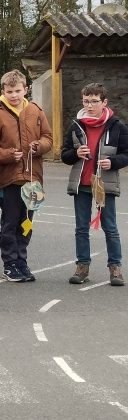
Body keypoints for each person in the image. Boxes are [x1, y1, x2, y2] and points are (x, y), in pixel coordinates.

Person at [0, 69, 52, 283]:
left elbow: (48, 138)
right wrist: (7, 155)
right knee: (10, 222)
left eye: (17, 91)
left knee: (26, 223)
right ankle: (10, 263)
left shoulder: (36, 110)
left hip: (32, 179)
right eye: (9, 91)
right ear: (2, 92)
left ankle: (21, 260)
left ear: (25, 89)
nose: (13, 95)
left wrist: (39, 146)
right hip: (9, 179)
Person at [61, 83, 128, 286]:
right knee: (81, 227)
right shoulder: (76, 125)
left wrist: (113, 162)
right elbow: (64, 155)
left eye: (94, 101)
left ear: (104, 102)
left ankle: (115, 268)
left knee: (110, 227)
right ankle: (82, 267)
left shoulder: (117, 126)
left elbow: (126, 154)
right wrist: (75, 153)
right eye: (86, 101)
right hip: (81, 184)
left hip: (104, 184)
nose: (89, 106)